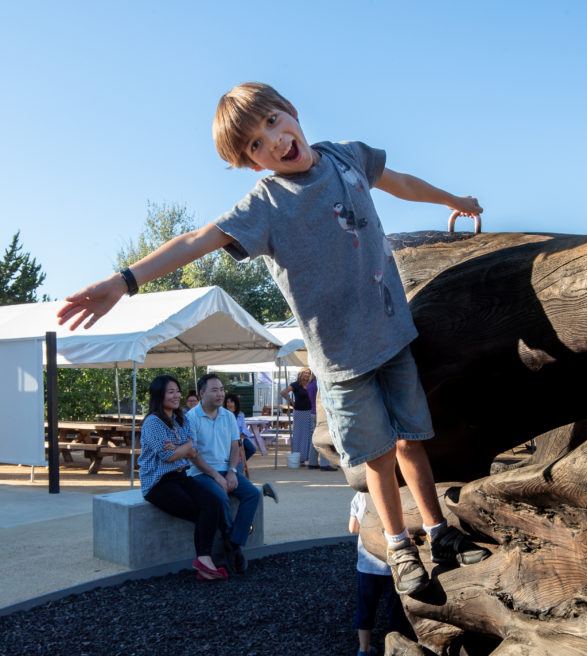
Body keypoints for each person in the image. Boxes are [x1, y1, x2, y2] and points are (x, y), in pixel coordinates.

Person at [57, 81, 490, 596]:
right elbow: (197, 240)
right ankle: (399, 545)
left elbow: (398, 182)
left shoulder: (346, 156)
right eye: (257, 145)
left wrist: (453, 199)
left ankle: (438, 531)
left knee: (411, 439)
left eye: (272, 122)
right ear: (255, 164)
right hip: (342, 359)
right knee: (377, 456)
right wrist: (124, 282)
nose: (274, 141)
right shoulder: (266, 204)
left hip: (393, 335)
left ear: (292, 111)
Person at [138, 374, 228, 581]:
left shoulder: (181, 418)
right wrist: (182, 447)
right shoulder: (153, 422)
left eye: (177, 391)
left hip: (180, 476)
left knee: (213, 502)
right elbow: (168, 455)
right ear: (159, 395)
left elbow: (193, 448)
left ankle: (204, 560)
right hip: (158, 483)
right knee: (198, 510)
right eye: (171, 392)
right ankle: (205, 562)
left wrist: (182, 448)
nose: (177, 395)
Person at [185, 373, 261, 574]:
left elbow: (235, 446)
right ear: (202, 393)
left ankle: (234, 543)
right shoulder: (190, 418)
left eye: (222, 389)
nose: (220, 394)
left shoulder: (228, 416)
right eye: (214, 390)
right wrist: (216, 476)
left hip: (226, 469)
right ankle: (231, 541)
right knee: (219, 497)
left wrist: (232, 471)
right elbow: (193, 455)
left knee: (253, 494)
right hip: (200, 472)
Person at [349, 490, 405, 656]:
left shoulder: (360, 496)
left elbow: (352, 528)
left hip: (367, 564)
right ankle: (395, 651)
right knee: (395, 611)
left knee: (365, 608)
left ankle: (363, 651)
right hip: (391, 565)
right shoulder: (399, 492)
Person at [224, 391, 279, 503]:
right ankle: (261, 490)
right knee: (235, 472)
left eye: (232, 402)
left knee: (250, 449)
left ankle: (258, 489)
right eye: (228, 402)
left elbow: (244, 429)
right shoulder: (222, 415)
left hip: (239, 440)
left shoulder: (239, 415)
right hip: (229, 444)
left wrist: (242, 435)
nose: (230, 404)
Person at [306, 375, 336, 471]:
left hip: (313, 412)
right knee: (324, 437)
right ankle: (324, 464)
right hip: (321, 413)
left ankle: (312, 462)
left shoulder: (310, 384)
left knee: (314, 438)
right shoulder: (320, 383)